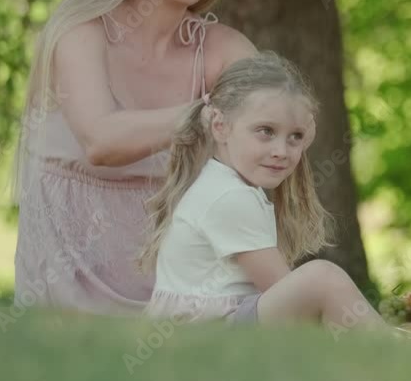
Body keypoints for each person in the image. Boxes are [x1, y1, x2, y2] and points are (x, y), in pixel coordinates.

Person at [12, 0, 258, 314]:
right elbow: (102, 141)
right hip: (72, 285)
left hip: (182, 284)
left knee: (316, 294)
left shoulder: (225, 51)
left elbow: (273, 139)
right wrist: (206, 115)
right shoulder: (81, 32)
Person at [139, 52, 387, 331]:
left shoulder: (221, 181)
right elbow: (289, 293)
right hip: (204, 340)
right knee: (323, 279)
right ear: (220, 126)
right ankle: (398, 356)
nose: (282, 151)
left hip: (212, 327)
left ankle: (389, 345)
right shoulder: (230, 197)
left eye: (296, 136)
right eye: (265, 131)